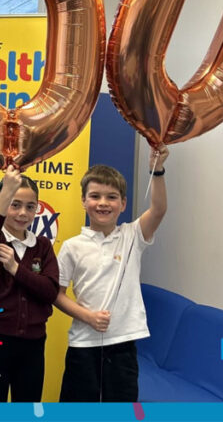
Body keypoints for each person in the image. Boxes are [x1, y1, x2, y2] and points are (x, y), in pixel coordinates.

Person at [55, 147, 169, 402]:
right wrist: (88, 316)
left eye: (112, 197)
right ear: (84, 201)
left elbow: (159, 209)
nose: (103, 203)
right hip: (83, 346)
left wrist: (157, 169)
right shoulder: (72, 246)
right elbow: (56, 294)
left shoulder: (132, 235)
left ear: (123, 203)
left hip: (122, 347)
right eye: (95, 196)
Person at [0, 166, 59, 403]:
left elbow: (50, 291)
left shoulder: (42, 246)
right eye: (15, 204)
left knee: (27, 406)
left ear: (37, 208)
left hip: (33, 344)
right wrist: (6, 192)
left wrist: (15, 268)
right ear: (3, 204)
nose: (22, 213)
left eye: (30, 206)